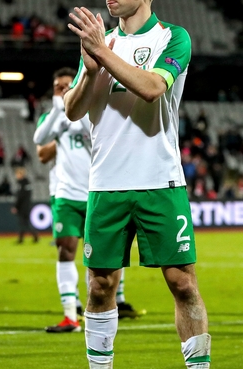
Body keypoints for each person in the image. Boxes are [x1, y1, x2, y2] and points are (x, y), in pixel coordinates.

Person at [65, 0, 210, 368]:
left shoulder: (172, 37)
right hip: (105, 184)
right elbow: (73, 110)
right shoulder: (101, 43)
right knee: (100, 285)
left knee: (183, 283)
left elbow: (151, 88)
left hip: (160, 181)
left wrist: (101, 52)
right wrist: (89, 70)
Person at [34, 68, 144, 333]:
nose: (62, 89)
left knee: (98, 255)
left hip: (96, 191)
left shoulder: (94, 112)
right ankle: (70, 315)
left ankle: (101, 306)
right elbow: (40, 140)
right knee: (65, 250)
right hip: (67, 194)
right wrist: (59, 108)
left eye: (67, 85)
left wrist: (74, 107)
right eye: (58, 86)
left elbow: (96, 136)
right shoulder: (53, 116)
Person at [11, 166, 36, 244]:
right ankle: (33, 237)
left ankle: (22, 239)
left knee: (23, 223)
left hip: (23, 207)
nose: (16, 176)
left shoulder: (21, 184)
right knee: (26, 223)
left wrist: (16, 206)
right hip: (27, 205)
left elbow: (20, 196)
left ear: (21, 174)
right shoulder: (27, 183)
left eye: (17, 174)